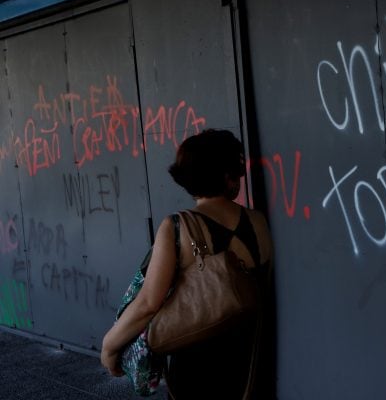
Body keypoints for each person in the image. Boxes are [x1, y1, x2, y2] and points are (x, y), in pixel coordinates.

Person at [101, 129, 274, 398]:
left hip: (197, 370)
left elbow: (148, 304)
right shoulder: (259, 222)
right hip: (252, 362)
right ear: (228, 176)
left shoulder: (178, 227)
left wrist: (109, 346)